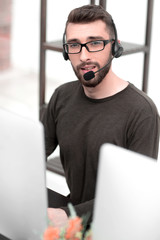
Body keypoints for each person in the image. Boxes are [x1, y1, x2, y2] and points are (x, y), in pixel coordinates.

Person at [42, 4, 160, 227]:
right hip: (74, 218)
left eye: (95, 43)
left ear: (114, 47)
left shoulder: (142, 112)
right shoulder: (62, 96)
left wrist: (69, 216)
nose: (84, 56)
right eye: (74, 45)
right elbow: (34, 154)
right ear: (67, 52)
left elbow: (135, 196)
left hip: (116, 226)